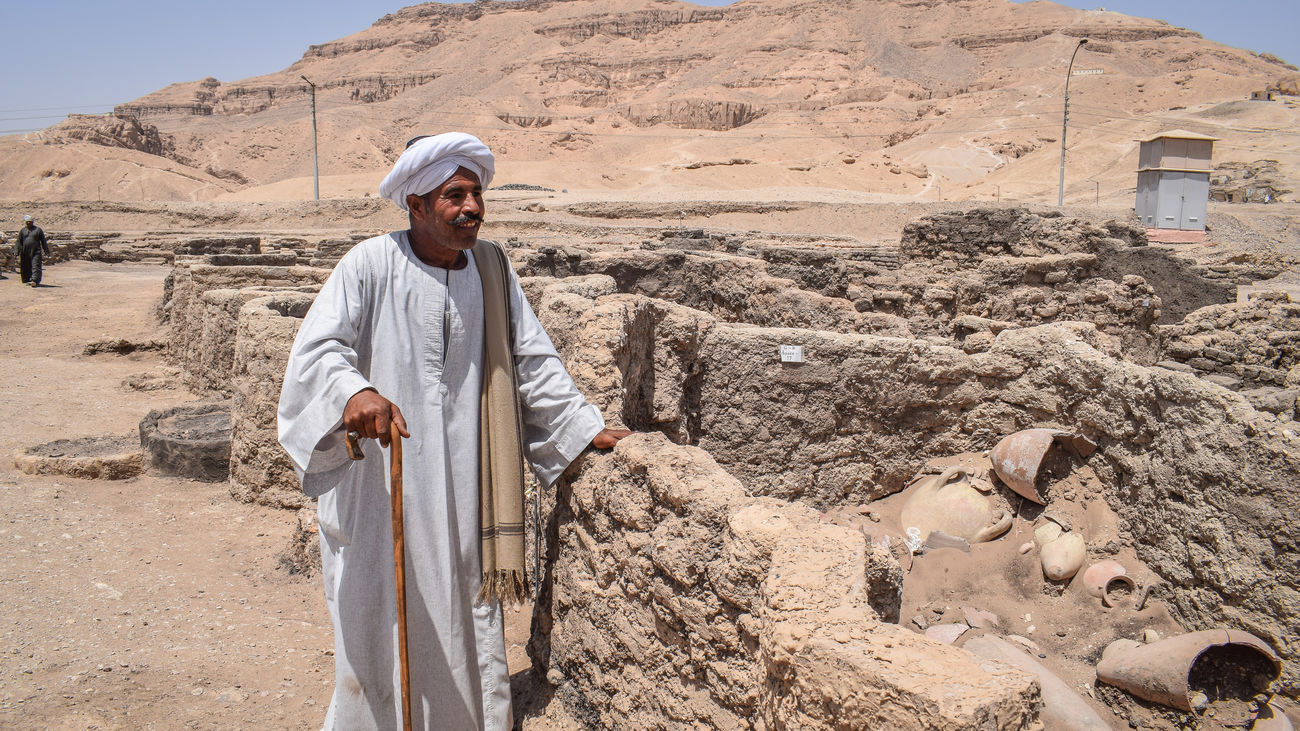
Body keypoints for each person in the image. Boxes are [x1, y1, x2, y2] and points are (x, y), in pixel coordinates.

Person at [277, 131, 629, 731]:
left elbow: (531, 360)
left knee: (467, 615)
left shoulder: (491, 269)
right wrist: (353, 393)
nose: (472, 207)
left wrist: (579, 425)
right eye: (453, 195)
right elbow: (317, 352)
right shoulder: (368, 265)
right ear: (415, 205)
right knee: (376, 624)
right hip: (380, 493)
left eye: (476, 194)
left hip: (467, 482)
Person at [15, 215, 50, 287]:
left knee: (36, 265)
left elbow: (43, 241)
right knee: (25, 265)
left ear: (32, 222)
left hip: (35, 251)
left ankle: (35, 280)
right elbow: (19, 241)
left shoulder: (38, 230)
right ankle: (26, 279)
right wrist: (16, 250)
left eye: (30, 222)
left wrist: (46, 250)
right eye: (27, 222)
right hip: (25, 251)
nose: (28, 223)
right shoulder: (23, 231)